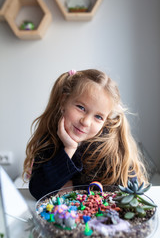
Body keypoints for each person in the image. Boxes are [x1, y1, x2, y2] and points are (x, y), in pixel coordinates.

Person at [23, 69, 148, 200]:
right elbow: (38, 190)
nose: (86, 122)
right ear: (63, 101)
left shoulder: (111, 147)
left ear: (106, 121)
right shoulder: (50, 140)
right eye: (81, 108)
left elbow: (130, 189)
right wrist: (69, 149)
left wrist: (74, 187)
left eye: (98, 117)